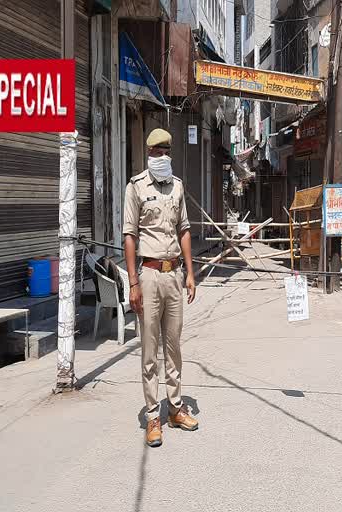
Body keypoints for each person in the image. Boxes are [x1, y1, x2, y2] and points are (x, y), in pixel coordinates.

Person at [123, 128, 198, 448]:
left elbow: (184, 230)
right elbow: (129, 235)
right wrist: (133, 282)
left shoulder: (177, 187)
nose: (161, 156)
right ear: (148, 154)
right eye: (156, 151)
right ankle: (153, 416)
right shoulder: (136, 187)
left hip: (174, 275)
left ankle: (176, 408)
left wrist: (191, 273)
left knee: (174, 347)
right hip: (150, 274)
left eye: (166, 150)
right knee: (150, 351)